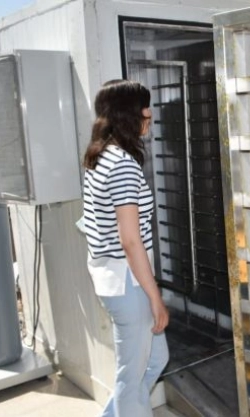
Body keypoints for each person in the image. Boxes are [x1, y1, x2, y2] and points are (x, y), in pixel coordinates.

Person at [82, 80, 169, 417]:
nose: (150, 114)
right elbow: (130, 241)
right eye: (145, 107)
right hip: (128, 283)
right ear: (129, 114)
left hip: (115, 278)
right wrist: (155, 296)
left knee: (155, 359)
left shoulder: (101, 155)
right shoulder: (121, 164)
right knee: (131, 379)